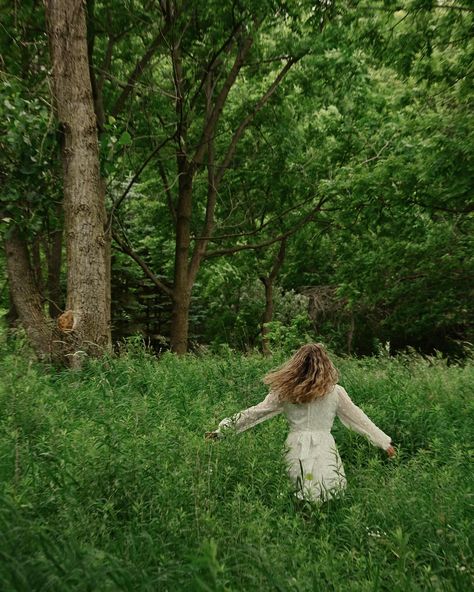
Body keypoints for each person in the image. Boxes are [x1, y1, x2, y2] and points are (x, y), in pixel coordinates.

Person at [206, 343, 395, 503]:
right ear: (326, 364)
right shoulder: (335, 392)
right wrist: (383, 442)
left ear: (296, 364)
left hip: (296, 446)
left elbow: (255, 412)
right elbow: (359, 419)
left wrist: (222, 430)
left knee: (298, 495)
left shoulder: (286, 392)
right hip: (324, 448)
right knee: (325, 495)